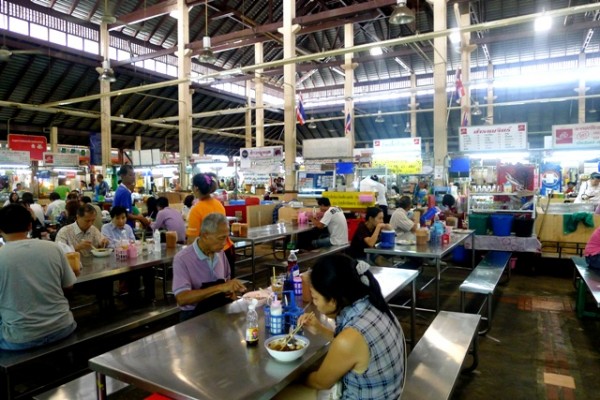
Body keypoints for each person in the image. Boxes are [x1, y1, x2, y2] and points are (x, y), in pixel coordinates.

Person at [282, 254, 405, 400]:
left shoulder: (350, 338)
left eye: (315, 298)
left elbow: (320, 382)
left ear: (333, 300)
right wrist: (320, 329)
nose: (314, 303)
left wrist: (292, 379)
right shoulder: (373, 304)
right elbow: (354, 348)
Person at [0, 204, 77, 350]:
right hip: (62, 326)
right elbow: (69, 286)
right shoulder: (52, 248)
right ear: (30, 226)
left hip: (20, 338)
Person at [173, 213, 247, 321]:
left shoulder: (220, 252)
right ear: (205, 235)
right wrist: (219, 288)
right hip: (194, 316)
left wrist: (231, 291)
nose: (224, 243)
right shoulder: (182, 259)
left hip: (218, 310)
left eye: (226, 238)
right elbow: (182, 298)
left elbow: (226, 281)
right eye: (221, 238)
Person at [187, 172, 236, 276]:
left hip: (210, 255)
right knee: (228, 287)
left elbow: (192, 239)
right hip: (226, 250)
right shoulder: (218, 204)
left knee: (211, 290)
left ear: (196, 188)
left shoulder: (196, 210)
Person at [113, 165, 149, 229]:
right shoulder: (124, 192)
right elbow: (125, 214)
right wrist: (141, 218)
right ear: (122, 176)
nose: (133, 177)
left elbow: (127, 210)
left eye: (133, 175)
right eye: (130, 175)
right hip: (124, 227)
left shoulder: (121, 189)